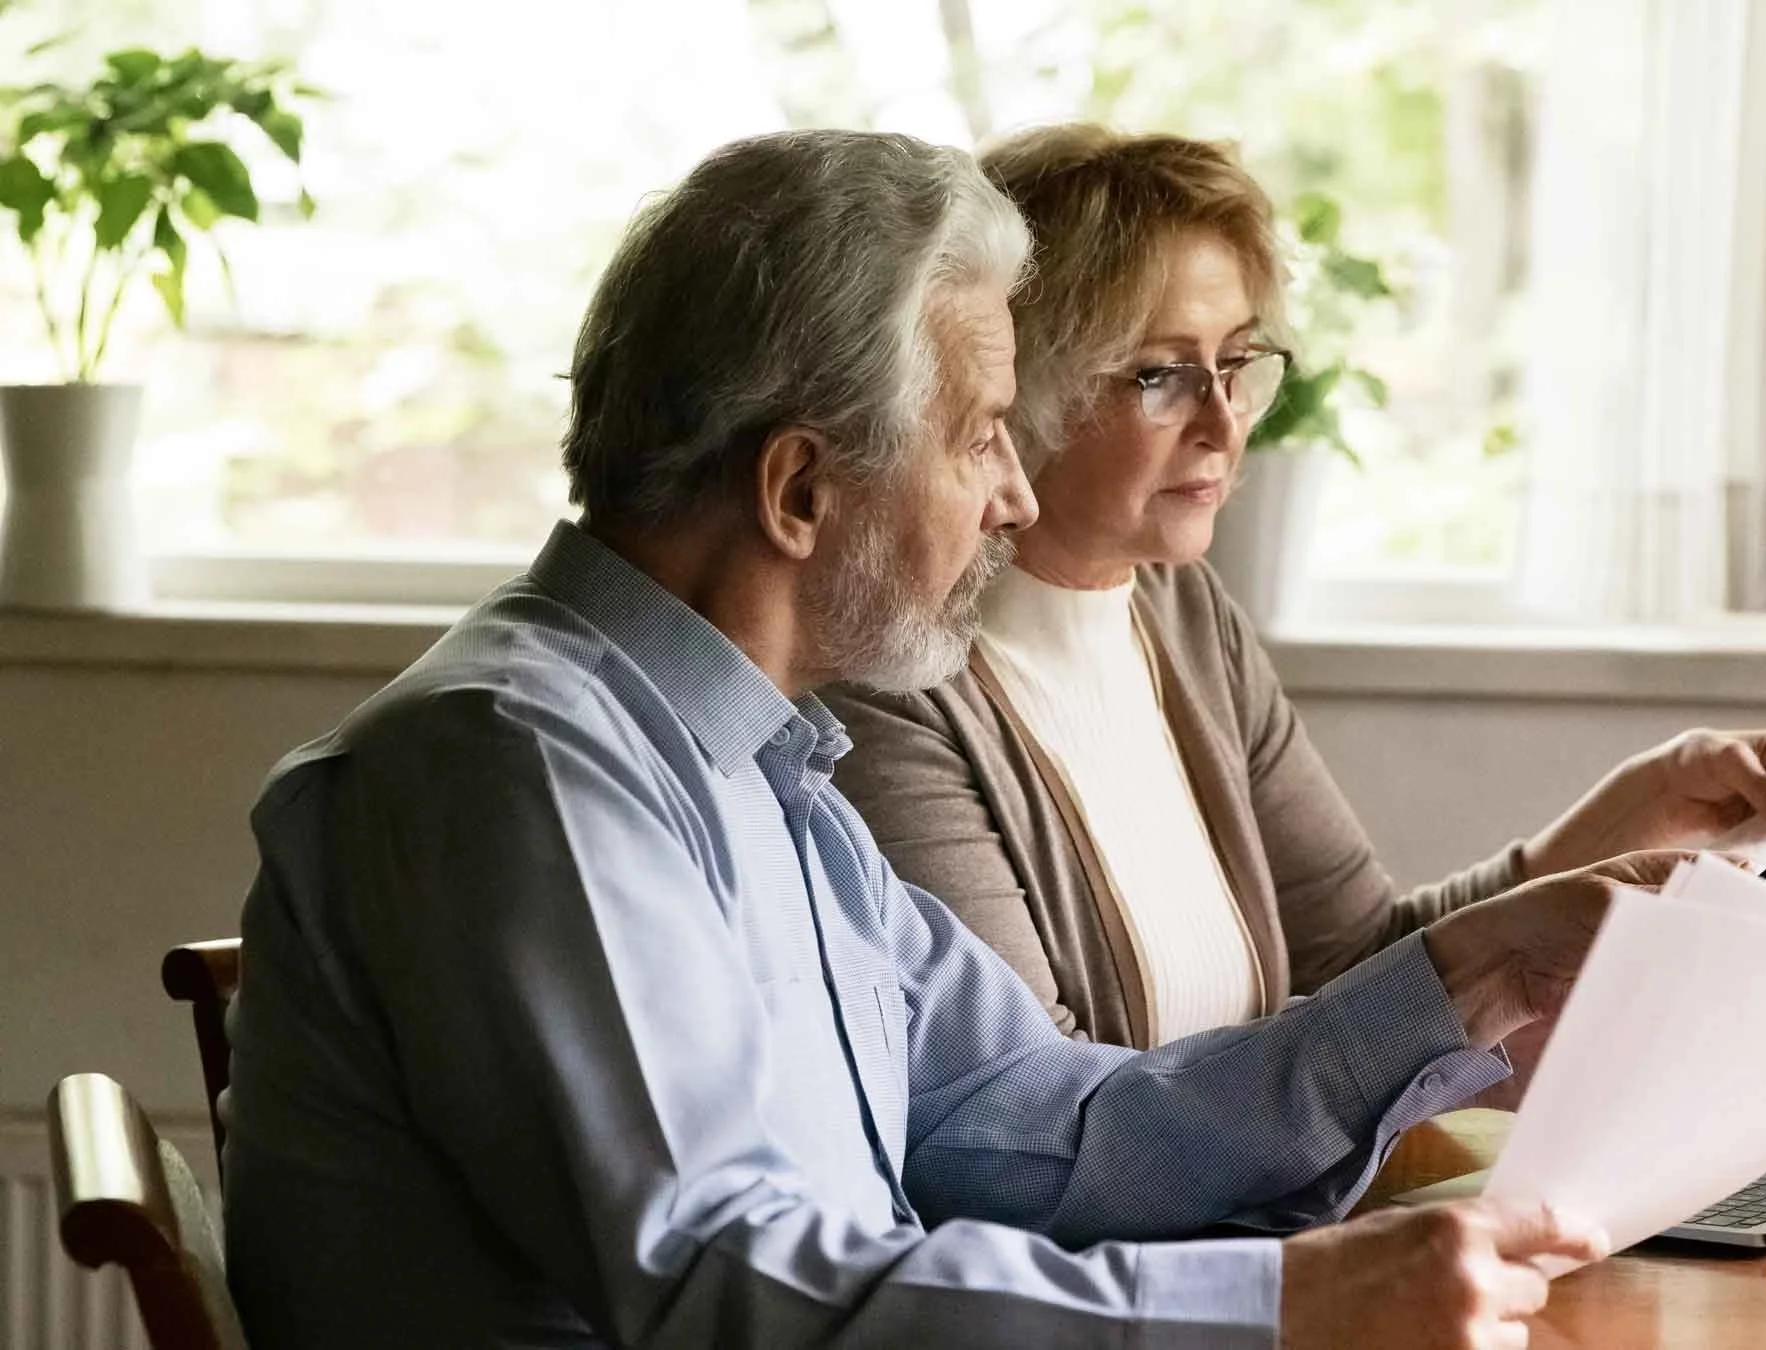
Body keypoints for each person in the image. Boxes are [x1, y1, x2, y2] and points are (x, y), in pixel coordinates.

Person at [221, 127, 1680, 1350]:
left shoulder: (766, 775)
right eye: (981, 434)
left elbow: (1054, 1124)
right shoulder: (517, 765)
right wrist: (1279, 1307)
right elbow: (719, 1274)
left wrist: (1467, 975)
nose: (1015, 499)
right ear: (801, 490)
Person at [825, 125, 1766, 1052]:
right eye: (1163, 375)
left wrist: (1630, 814)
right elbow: (1043, 1110)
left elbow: (1357, 958)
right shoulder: (895, 688)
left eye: (1238, 361)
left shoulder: (1183, 611)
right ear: (1016, 387)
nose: (1224, 422)